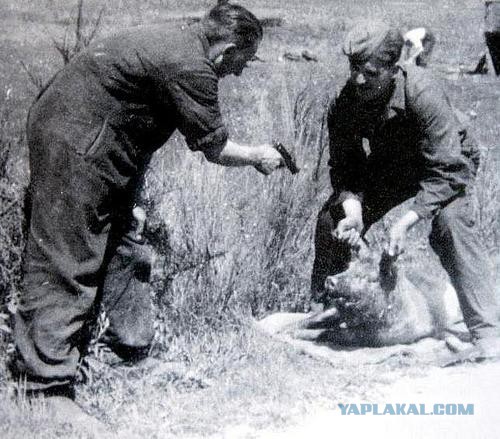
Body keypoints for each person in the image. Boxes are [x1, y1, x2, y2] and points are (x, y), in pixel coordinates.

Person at [10, 1, 283, 420]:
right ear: (227, 50)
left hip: (98, 141)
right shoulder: (191, 66)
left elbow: (134, 112)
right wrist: (258, 156)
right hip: (75, 141)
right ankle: (42, 388)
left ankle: (130, 349)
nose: (242, 71)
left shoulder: (184, 40)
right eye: (243, 61)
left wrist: (131, 192)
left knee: (125, 242)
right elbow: (215, 148)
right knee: (65, 256)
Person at [310, 20, 500, 360]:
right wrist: (353, 210)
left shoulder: (422, 91)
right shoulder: (346, 101)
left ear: (394, 69)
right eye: (354, 68)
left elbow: (447, 169)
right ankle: (326, 310)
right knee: (331, 219)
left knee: (450, 224)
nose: (358, 79)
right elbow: (346, 167)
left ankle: (487, 330)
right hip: (394, 164)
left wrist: (406, 221)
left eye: (369, 72)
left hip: (444, 164)